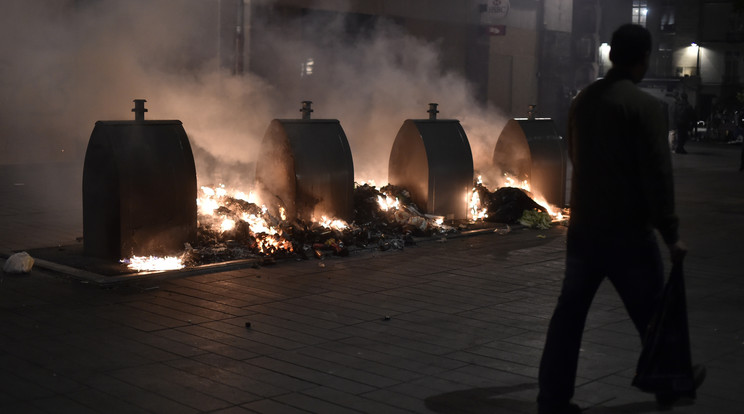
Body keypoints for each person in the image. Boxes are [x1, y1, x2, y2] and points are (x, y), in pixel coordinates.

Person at [536, 24, 698, 414]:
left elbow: (574, 152)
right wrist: (671, 233)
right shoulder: (643, 108)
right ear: (643, 59)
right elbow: (657, 175)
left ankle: (553, 399)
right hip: (629, 235)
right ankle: (670, 385)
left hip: (585, 229)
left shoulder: (584, 101)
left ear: (612, 56)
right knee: (653, 314)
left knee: (569, 316)